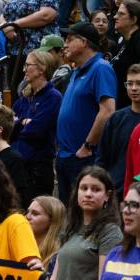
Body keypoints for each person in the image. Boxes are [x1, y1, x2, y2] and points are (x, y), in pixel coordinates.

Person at [56, 22, 117, 203]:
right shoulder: (76, 70)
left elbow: (107, 111)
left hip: (84, 157)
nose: (64, 45)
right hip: (65, 155)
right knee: (67, 212)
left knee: (83, 212)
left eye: (69, 40)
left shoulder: (101, 68)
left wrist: (88, 146)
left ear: (83, 42)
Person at [12, 49, 62, 202]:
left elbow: (36, 130)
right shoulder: (25, 96)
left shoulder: (52, 97)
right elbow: (8, 125)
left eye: (28, 65)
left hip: (38, 168)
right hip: (19, 165)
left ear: (42, 69)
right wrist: (23, 122)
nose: (24, 69)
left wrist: (19, 124)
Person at [100, 64, 140, 199]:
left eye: (139, 83)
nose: (134, 88)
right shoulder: (116, 119)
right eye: (130, 83)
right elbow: (102, 157)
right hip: (115, 191)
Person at [113, 2, 140, 110]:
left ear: (133, 19)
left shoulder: (138, 40)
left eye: (121, 14)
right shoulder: (123, 41)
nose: (115, 17)